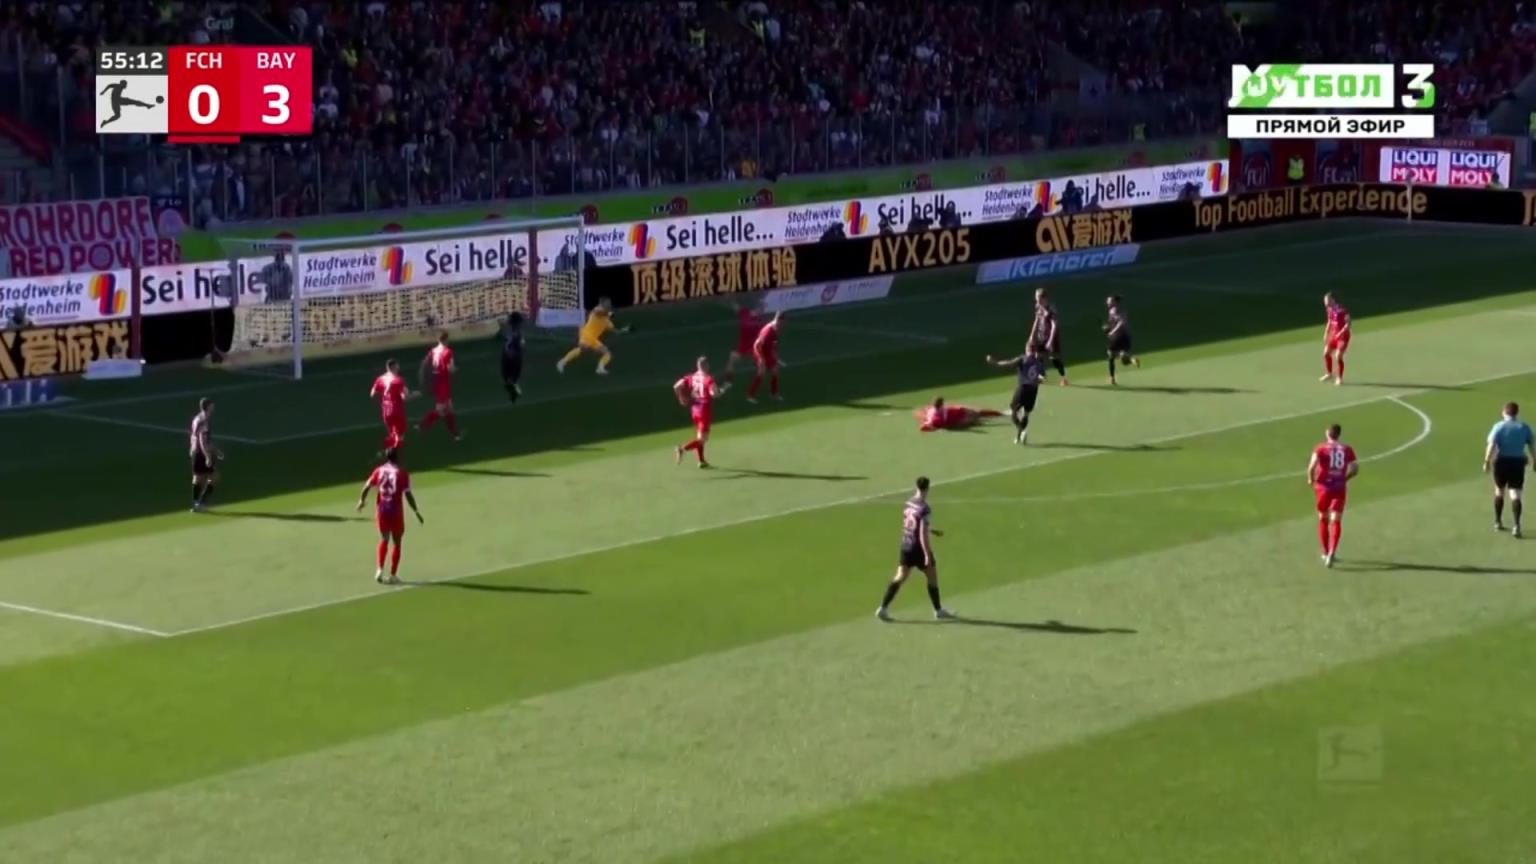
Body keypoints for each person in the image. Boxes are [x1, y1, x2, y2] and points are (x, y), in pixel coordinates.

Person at [875, 476, 955, 621]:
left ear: (917, 487)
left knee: (900, 577)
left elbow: (911, 525)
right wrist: (927, 554)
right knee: (932, 576)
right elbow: (922, 533)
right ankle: (938, 610)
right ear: (928, 488)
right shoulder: (925, 508)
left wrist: (932, 530)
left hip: (906, 545)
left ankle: (883, 608)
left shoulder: (909, 503)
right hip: (918, 548)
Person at [356, 448, 424, 584]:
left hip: (382, 510)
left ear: (387, 458)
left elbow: (367, 486)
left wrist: (361, 501)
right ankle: (393, 575)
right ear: (397, 457)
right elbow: (408, 495)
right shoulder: (402, 473)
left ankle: (379, 569)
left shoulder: (379, 471)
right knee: (397, 543)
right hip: (396, 511)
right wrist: (416, 511)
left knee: (384, 539)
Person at [1307, 423, 1359, 567]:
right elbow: (1355, 469)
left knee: (1323, 518)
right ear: (1339, 435)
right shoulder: (1347, 449)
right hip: (1339, 487)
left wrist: (1311, 479)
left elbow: (1312, 466)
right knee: (1336, 520)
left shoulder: (1320, 448)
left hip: (1323, 488)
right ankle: (1332, 553)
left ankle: (1325, 552)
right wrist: (1344, 478)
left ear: (1327, 433)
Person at [1483, 401, 1535, 537]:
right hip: (1518, 463)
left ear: (1504, 412)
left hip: (1502, 462)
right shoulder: (1524, 427)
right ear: (1517, 413)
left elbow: (1491, 445)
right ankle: (1517, 525)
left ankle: (1498, 521)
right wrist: (1535, 460)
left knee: (1499, 491)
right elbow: (1531, 445)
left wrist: (1487, 461)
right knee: (1515, 494)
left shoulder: (1499, 426)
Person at [987, 345, 1048, 444]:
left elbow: (1008, 363)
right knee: (1026, 414)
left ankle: (1022, 431)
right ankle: (1019, 436)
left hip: (1023, 389)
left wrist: (995, 363)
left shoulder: (1022, 359)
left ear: (1028, 349)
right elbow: (1043, 377)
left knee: (1013, 411)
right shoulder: (1039, 362)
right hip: (1033, 390)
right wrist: (1041, 379)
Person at [557, 297, 630, 375]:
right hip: (586, 334)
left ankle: (600, 368)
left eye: (609, 303)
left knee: (607, 354)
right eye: (607, 303)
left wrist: (624, 330)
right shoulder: (597, 309)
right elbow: (599, 312)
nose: (609, 305)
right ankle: (562, 362)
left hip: (594, 339)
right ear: (602, 304)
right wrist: (609, 313)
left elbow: (615, 331)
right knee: (583, 348)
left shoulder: (607, 321)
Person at [673, 356, 719, 469]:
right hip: (704, 410)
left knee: (699, 436)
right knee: (703, 439)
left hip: (695, 410)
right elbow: (713, 393)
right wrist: (717, 393)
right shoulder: (709, 379)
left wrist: (681, 398)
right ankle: (682, 449)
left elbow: (676, 386)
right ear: (706, 365)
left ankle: (701, 461)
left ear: (698, 366)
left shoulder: (691, 377)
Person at [418, 332, 460, 440]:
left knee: (450, 407)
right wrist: (454, 369)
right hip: (444, 381)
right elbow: (451, 368)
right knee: (440, 410)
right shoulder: (448, 351)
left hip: (436, 380)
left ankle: (454, 433)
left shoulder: (433, 350)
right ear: (446, 340)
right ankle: (423, 425)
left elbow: (426, 363)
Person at [189, 397, 223, 512]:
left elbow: (194, 436)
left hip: (195, 451)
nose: (213, 407)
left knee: (198, 477)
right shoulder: (204, 420)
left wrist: (192, 449)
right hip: (201, 452)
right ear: (208, 407)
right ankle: (201, 503)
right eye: (212, 405)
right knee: (214, 477)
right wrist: (208, 455)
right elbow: (202, 440)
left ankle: (196, 503)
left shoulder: (196, 418)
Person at [369, 359, 413, 450]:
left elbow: (372, 394)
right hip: (397, 410)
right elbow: (404, 397)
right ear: (395, 367)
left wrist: (384, 399)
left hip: (386, 411)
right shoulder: (398, 380)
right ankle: (392, 454)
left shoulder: (380, 379)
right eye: (397, 366)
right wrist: (414, 395)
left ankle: (388, 451)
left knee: (393, 434)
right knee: (400, 436)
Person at [1028, 288, 1069, 385]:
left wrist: (1050, 341)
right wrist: (1032, 335)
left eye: (1038, 297)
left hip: (1052, 337)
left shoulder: (1051, 309)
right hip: (1041, 335)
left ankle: (1063, 377)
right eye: (1036, 297)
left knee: (1054, 358)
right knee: (1038, 355)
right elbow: (1036, 320)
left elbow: (1054, 325)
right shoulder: (1038, 307)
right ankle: (1042, 376)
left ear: (1044, 298)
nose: (1036, 299)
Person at [724, 300, 766, 391]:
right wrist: (730, 300)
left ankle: (753, 387)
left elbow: (736, 307)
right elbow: (736, 306)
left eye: (763, 308)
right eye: (762, 308)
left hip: (751, 346)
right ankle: (728, 382)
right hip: (745, 345)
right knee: (731, 362)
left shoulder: (752, 316)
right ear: (758, 308)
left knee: (761, 367)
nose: (763, 310)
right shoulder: (750, 315)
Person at [1104, 295, 1141, 385]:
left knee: (1110, 354)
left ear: (1114, 302)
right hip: (1126, 337)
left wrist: (1112, 331)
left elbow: (1121, 322)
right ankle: (1131, 360)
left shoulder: (1113, 310)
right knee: (1124, 361)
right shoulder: (1121, 310)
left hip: (1119, 336)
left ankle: (1112, 378)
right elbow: (1115, 322)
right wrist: (1108, 328)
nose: (1107, 302)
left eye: (1109, 301)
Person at [746, 311, 783, 403]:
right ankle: (750, 395)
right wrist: (761, 359)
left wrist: (775, 356)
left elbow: (773, 343)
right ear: (777, 319)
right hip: (760, 352)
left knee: (775, 371)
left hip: (767, 352)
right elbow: (756, 345)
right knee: (761, 373)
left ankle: (774, 394)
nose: (780, 324)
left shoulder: (776, 329)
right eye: (780, 322)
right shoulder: (768, 330)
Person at [917, 397, 1003, 432]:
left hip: (960, 412)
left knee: (979, 414)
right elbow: (948, 425)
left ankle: (1000, 414)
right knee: (978, 416)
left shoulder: (932, 412)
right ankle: (1000, 414)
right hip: (960, 417)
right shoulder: (935, 417)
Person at [1320, 292, 1351, 386]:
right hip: (1334, 335)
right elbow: (1329, 321)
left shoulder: (1342, 311)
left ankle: (1339, 378)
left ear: (1333, 300)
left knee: (1338, 356)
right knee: (1326, 353)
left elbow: (1348, 324)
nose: (1326, 303)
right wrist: (1326, 332)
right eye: (1325, 301)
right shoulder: (1329, 310)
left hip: (1343, 337)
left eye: (1328, 301)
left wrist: (1340, 333)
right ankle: (1329, 374)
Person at [500, 312, 526, 401]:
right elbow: (521, 345)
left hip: (507, 357)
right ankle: (514, 387)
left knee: (507, 377)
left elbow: (511, 344)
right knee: (513, 377)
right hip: (514, 357)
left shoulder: (510, 332)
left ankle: (513, 390)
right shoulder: (517, 333)